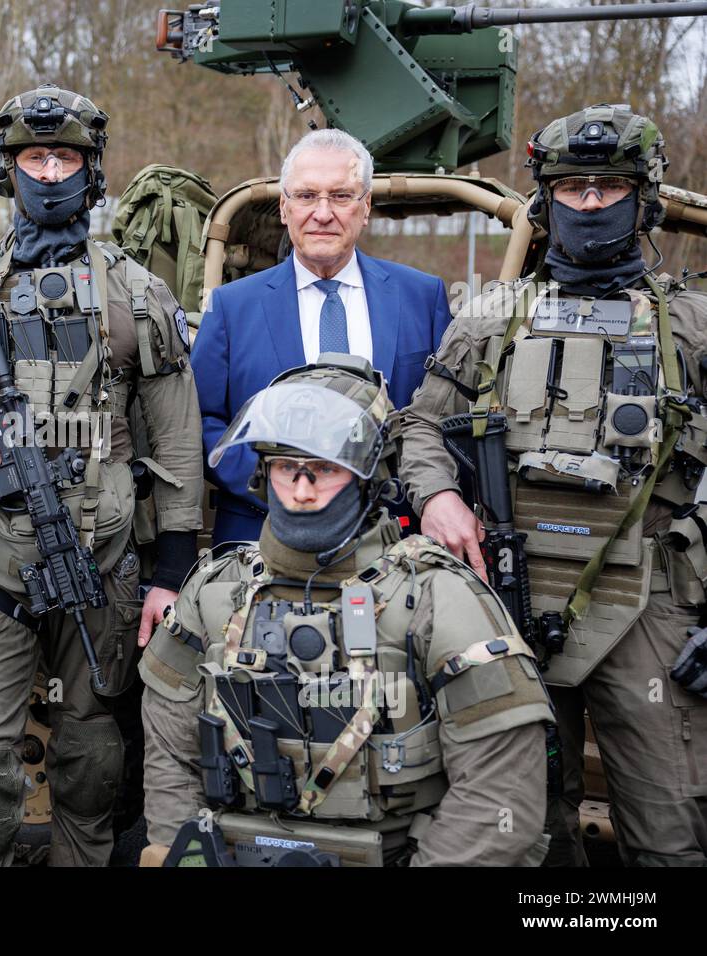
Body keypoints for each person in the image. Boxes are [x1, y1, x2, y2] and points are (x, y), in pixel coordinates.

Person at [0, 83, 203, 867]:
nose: (50, 173)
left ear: (91, 173)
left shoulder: (138, 293)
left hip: (107, 568)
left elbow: (178, 440)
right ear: (7, 170)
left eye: (66, 158)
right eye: (34, 157)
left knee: (91, 759)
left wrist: (172, 571)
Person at [401, 104, 707, 865]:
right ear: (547, 200)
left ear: (645, 199)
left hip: (653, 609)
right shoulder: (490, 318)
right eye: (574, 187)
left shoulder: (694, 324)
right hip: (507, 596)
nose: (592, 203)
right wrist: (437, 497)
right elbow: (419, 428)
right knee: (522, 829)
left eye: (610, 186)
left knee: (671, 830)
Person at [139, 355, 554, 866]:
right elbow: (169, 757)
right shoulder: (214, 589)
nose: (302, 490)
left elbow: (499, 799)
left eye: (326, 469)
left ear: (368, 476)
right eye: (287, 467)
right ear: (263, 474)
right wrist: (189, 856)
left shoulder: (438, 597)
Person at [193, 128, 452, 546]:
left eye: (342, 196)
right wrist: (284, 487)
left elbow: (442, 419)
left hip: (392, 543)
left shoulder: (422, 297)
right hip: (259, 541)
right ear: (284, 208)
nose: (323, 212)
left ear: (365, 207)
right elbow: (202, 421)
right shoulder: (231, 307)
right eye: (307, 196)